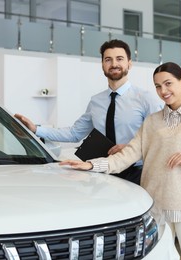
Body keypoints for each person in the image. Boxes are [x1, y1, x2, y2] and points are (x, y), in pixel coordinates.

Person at [59, 62, 181, 260]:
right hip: (155, 208)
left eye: (168, 84)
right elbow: (127, 155)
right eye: (157, 86)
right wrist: (92, 165)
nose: (163, 91)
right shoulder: (152, 121)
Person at [15, 39, 162, 185]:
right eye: (108, 59)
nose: (114, 64)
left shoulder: (146, 99)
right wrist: (36, 129)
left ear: (129, 63)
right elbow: (74, 133)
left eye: (119, 59)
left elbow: (161, 138)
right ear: (102, 65)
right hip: (102, 172)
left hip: (137, 172)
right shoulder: (96, 101)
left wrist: (131, 148)